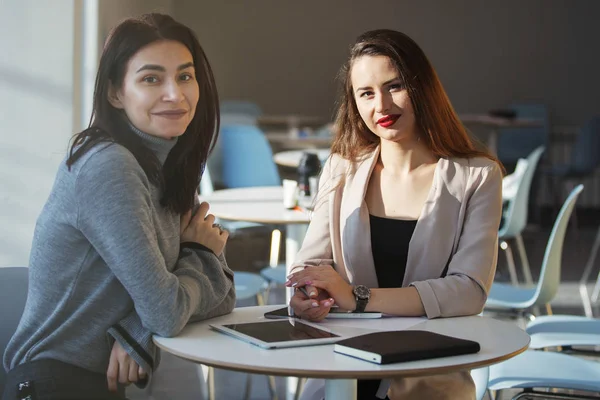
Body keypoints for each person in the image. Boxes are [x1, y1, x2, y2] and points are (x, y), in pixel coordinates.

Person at [2, 13, 235, 400]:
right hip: (53, 383)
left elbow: (223, 292)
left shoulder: (170, 168)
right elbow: (169, 307)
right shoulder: (108, 165)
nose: (175, 94)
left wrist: (136, 329)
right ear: (115, 93)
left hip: (100, 383)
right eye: (150, 79)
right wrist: (196, 254)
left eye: (184, 76)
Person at [285, 29, 503, 400]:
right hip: (341, 370)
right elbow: (312, 262)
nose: (381, 106)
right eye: (366, 93)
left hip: (428, 378)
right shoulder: (341, 169)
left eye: (395, 86)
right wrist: (307, 293)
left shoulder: (477, 176)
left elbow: (468, 291)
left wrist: (359, 297)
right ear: (354, 103)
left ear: (422, 88)